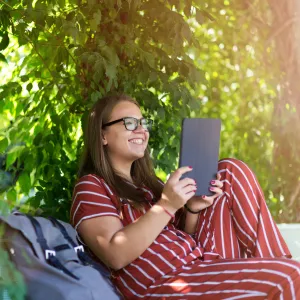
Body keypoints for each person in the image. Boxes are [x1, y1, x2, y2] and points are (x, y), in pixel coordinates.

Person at [70, 94, 300, 299]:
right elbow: (115, 254)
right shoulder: (92, 186)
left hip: (197, 263)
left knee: (230, 170)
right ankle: (281, 274)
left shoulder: (150, 186)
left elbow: (183, 236)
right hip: (163, 283)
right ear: (102, 136)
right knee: (292, 275)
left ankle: (277, 263)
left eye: (144, 123)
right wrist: (167, 205)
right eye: (130, 123)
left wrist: (192, 208)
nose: (142, 130)